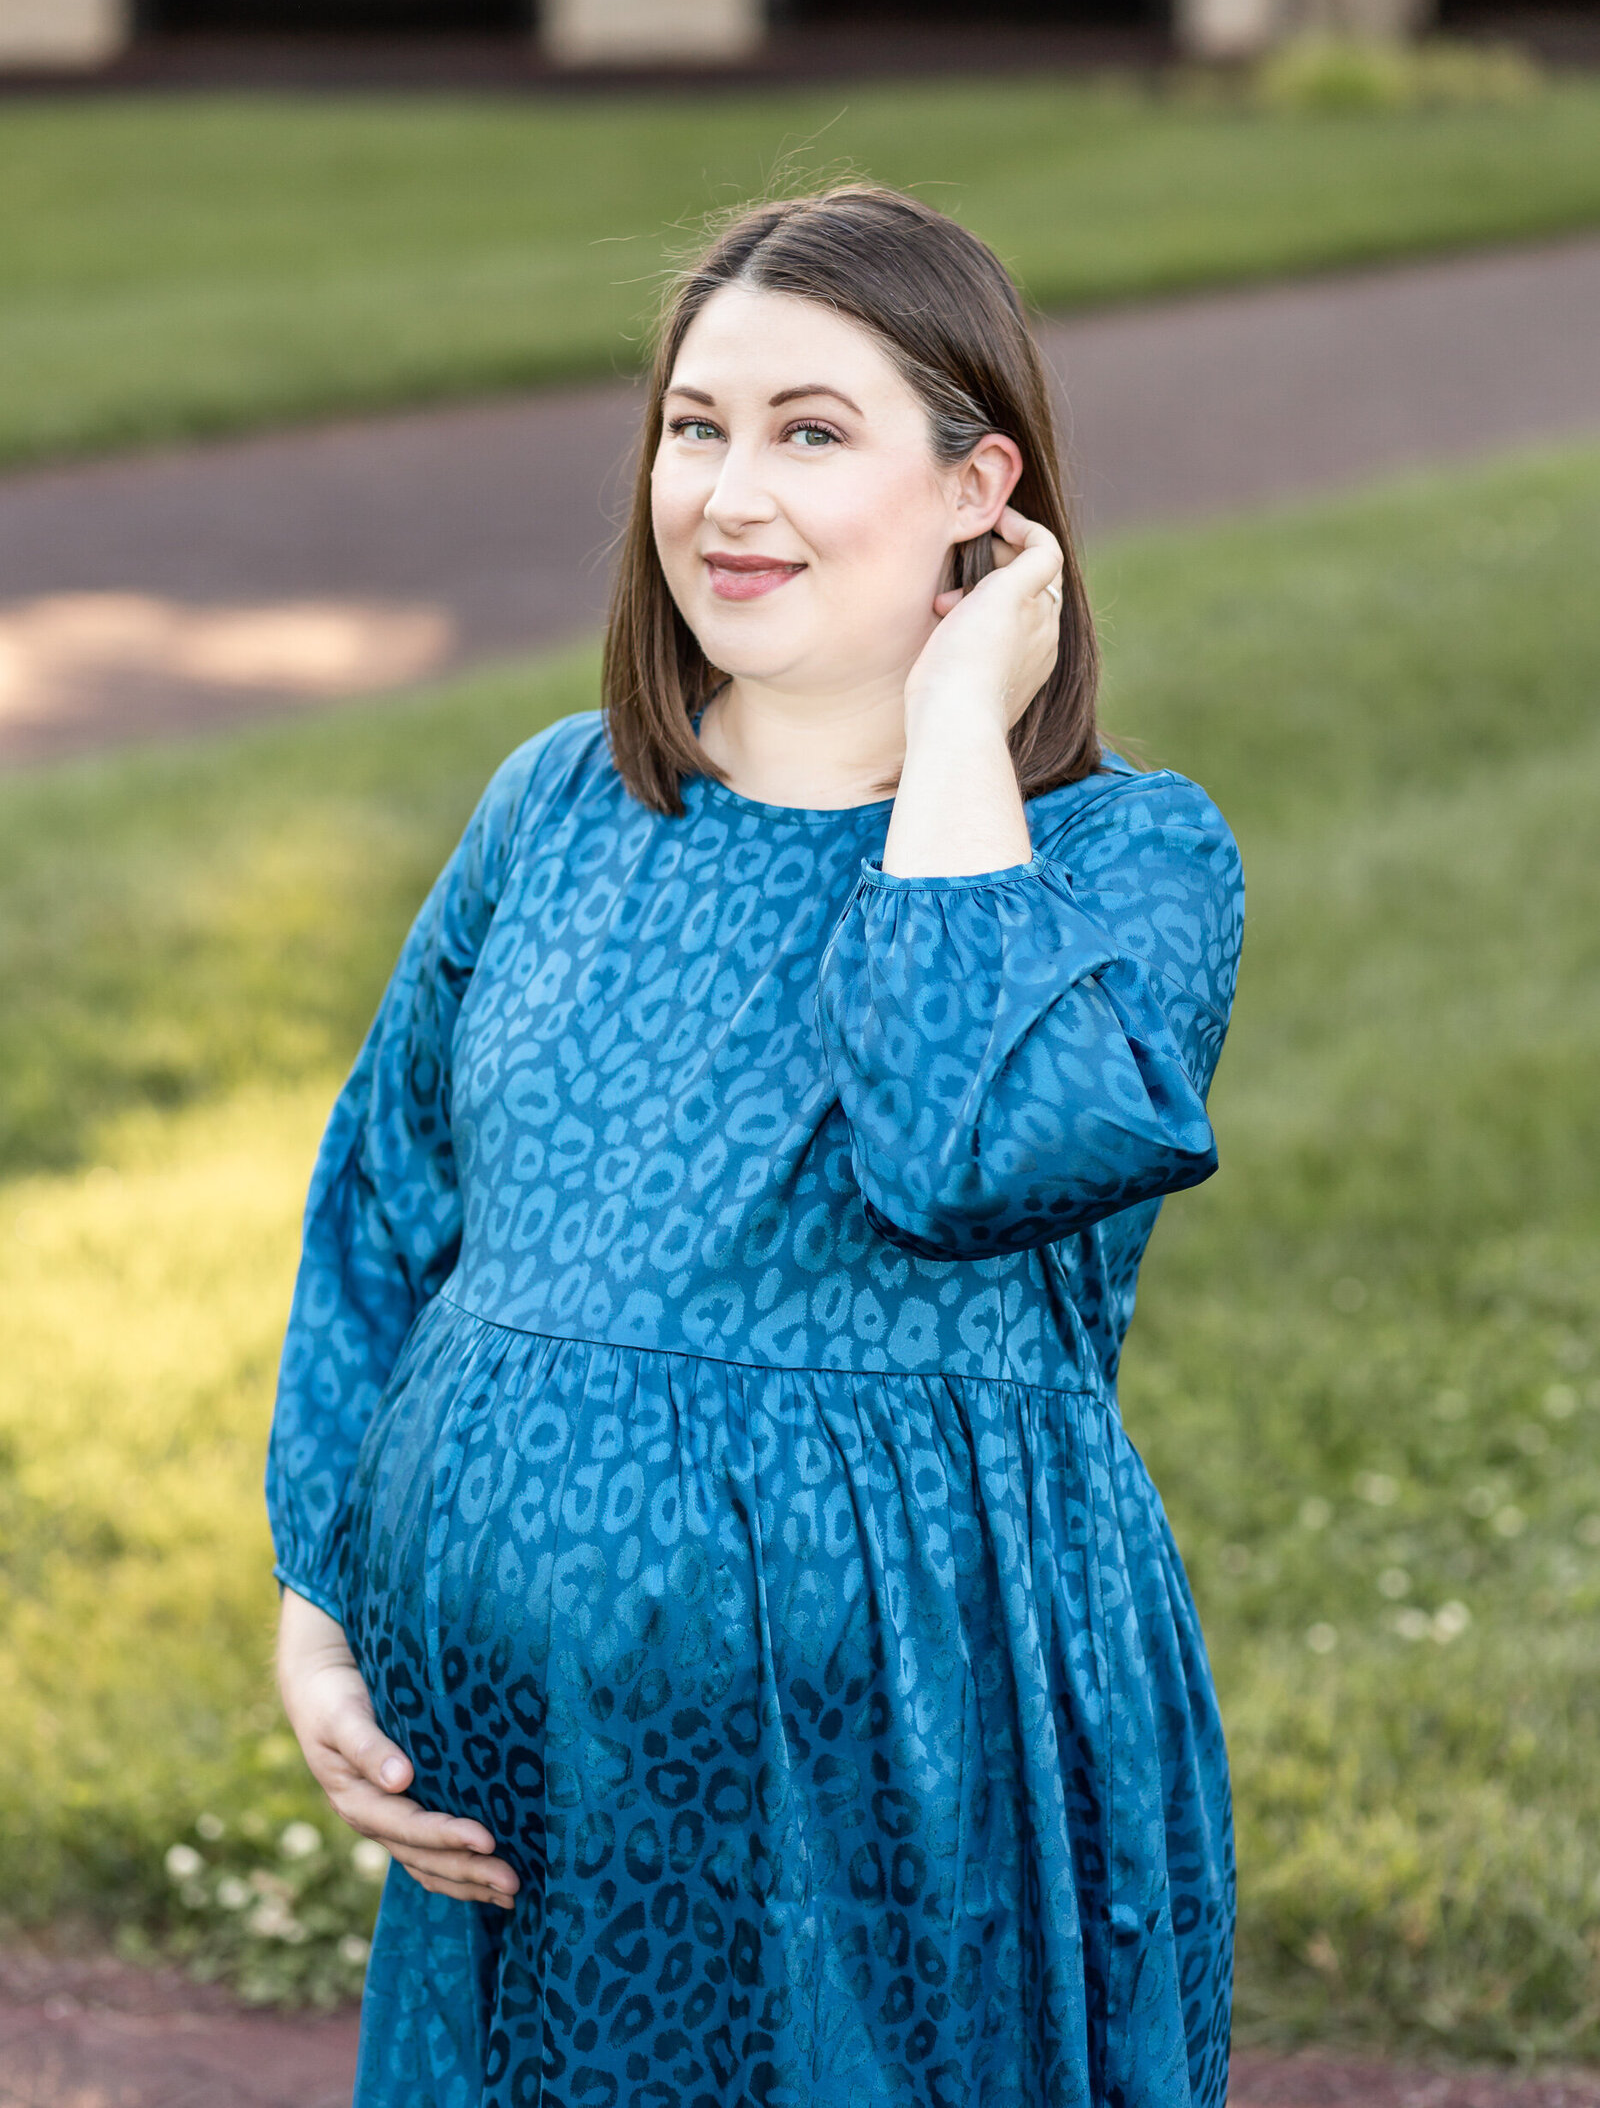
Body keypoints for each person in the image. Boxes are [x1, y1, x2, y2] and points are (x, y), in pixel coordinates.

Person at [269, 185, 1245, 2108]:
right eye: (696, 428)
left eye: (810, 431)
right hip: (533, 1789)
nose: (727, 491)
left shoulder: (1129, 863)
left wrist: (961, 733)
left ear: (986, 484)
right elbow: (386, 1208)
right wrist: (321, 1614)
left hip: (897, 1759)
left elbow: (961, 1153)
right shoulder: (556, 804)